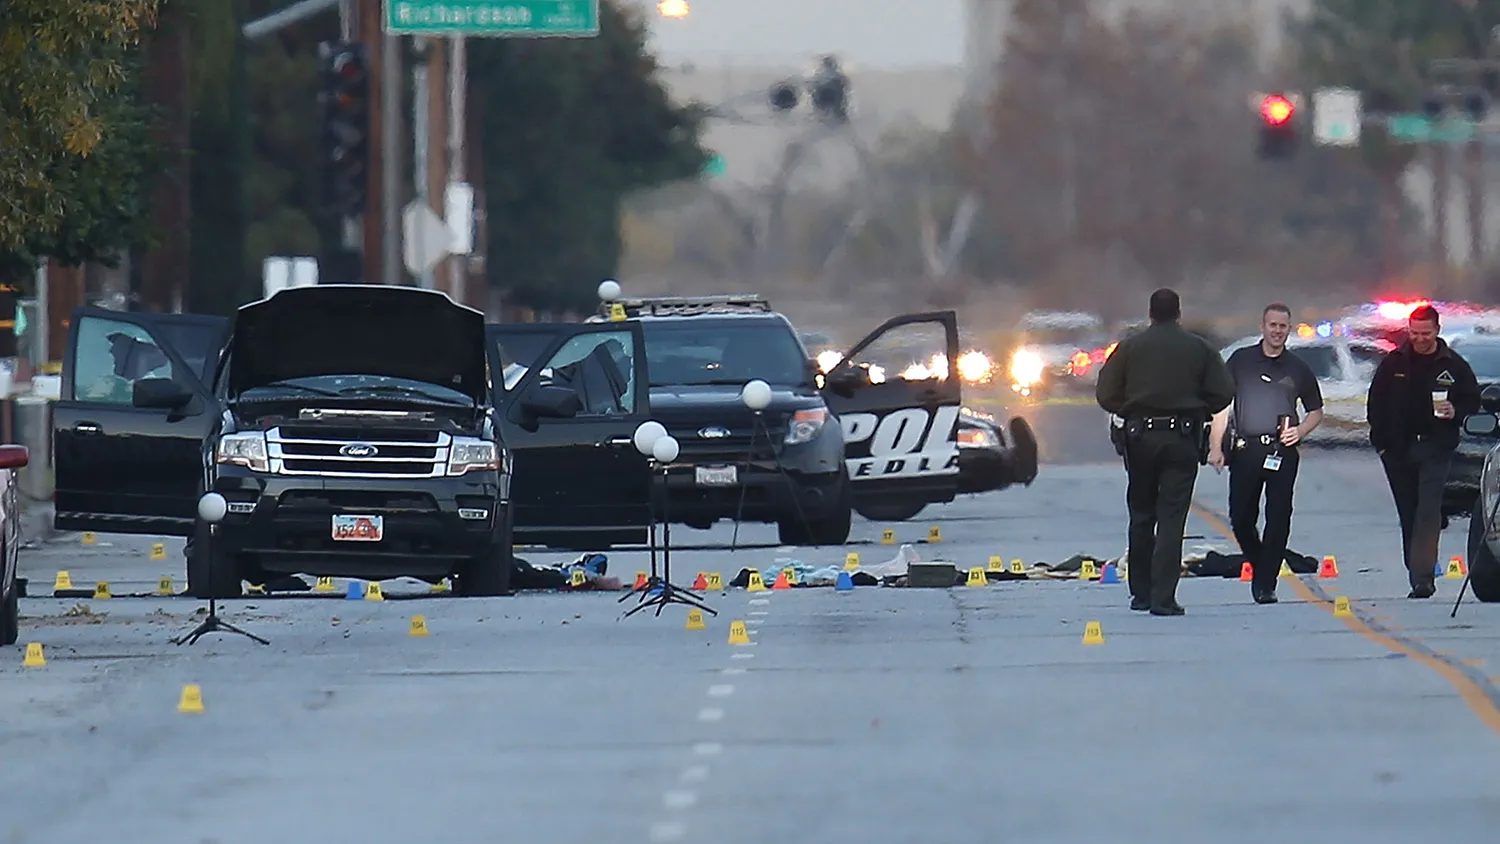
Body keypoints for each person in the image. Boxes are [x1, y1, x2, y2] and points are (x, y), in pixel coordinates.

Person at [1097, 289, 1235, 616]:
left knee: (1142, 514)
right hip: (1182, 439)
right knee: (1172, 517)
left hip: (1140, 436)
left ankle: (1140, 593)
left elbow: (1105, 393)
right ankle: (1163, 598)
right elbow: (1224, 392)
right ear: (1178, 314)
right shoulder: (1198, 349)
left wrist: (1131, 409)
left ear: (1150, 314)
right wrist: (1198, 407)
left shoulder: (1129, 348)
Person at [1207, 303, 1324, 604]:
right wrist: (1215, 446)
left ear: (1289, 329)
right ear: (1262, 326)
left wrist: (1300, 432)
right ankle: (1262, 563)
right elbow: (1222, 407)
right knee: (1241, 518)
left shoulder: (1297, 368)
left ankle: (1265, 583)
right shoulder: (1240, 361)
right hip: (1246, 450)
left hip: (1282, 450)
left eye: (1282, 326)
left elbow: (1315, 411)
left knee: (1279, 516)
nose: (1277, 331)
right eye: (1272, 325)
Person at [1366, 304, 1481, 598]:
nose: (1419, 339)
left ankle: (1423, 578)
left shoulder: (1453, 365)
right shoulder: (1394, 363)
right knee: (1409, 512)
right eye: (1414, 333)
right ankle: (1415, 569)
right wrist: (1381, 445)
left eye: (1425, 333)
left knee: (1428, 511)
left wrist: (1456, 410)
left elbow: (1472, 400)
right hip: (1397, 449)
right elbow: (1375, 405)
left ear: (1437, 331)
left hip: (1436, 446)